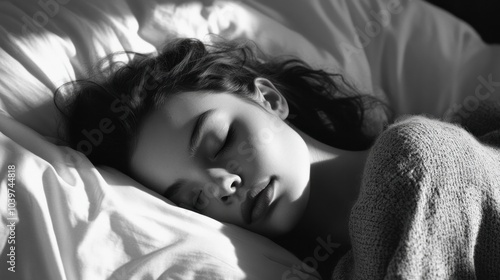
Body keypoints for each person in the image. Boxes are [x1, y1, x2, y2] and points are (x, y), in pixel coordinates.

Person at [55, 38, 500, 279]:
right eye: (193, 200)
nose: (222, 186)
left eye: (221, 141)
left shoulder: (419, 153)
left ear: (268, 99)